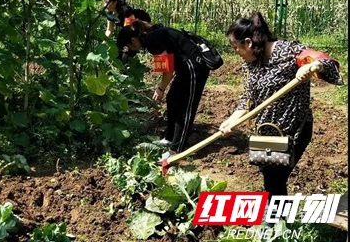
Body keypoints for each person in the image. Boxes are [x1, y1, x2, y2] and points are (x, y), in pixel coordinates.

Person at [219, 12, 342, 200]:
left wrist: (309, 66)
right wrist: (231, 120)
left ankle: (276, 221)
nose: (235, 52)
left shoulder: (287, 51)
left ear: (248, 43)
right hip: (266, 134)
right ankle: (276, 219)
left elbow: (326, 63)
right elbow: (247, 98)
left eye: (235, 47)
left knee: (275, 179)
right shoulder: (251, 63)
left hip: (293, 132)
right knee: (271, 179)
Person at [117, 18, 211, 153]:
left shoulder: (151, 41)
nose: (133, 51)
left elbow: (168, 70)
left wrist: (160, 88)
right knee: (172, 99)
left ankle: (176, 150)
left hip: (195, 68)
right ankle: (170, 137)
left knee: (185, 109)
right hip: (184, 68)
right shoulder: (151, 35)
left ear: (133, 41)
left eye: (130, 47)